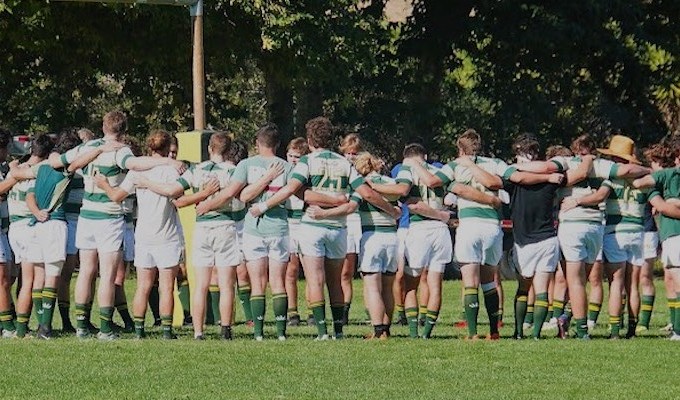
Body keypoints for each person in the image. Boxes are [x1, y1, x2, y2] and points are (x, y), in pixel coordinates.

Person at [244, 117, 399, 340]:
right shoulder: (344, 163)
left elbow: (292, 189)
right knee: (335, 281)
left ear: (309, 140)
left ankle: (322, 332)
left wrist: (264, 205)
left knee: (315, 279)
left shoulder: (308, 161)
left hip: (312, 226)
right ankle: (338, 331)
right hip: (337, 228)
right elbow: (366, 193)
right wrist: (391, 210)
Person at [408, 129, 564, 340]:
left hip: (469, 225)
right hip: (492, 226)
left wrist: (415, 163)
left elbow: (432, 182)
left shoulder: (456, 164)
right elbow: (518, 177)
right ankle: (494, 331)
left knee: (470, 280)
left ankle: (472, 333)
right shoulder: (496, 163)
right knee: (489, 280)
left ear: (460, 148)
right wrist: (548, 177)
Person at [50, 110, 185, 340]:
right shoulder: (120, 151)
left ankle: (81, 326)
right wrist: (167, 161)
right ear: (124, 131)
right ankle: (104, 328)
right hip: (109, 217)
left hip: (86, 215)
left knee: (86, 271)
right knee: (108, 274)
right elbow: (135, 163)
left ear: (103, 127)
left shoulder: (88, 147)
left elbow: (56, 161)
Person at [518, 133, 650, 339]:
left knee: (575, 282)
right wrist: (652, 170)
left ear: (574, 148)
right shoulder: (602, 165)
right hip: (596, 226)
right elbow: (628, 169)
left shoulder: (565, 161)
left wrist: (518, 167)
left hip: (571, 225)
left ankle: (581, 331)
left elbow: (543, 168)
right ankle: (569, 318)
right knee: (586, 280)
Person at [140, 132, 237, 340]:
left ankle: (198, 331)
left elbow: (177, 198)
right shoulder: (233, 171)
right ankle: (226, 330)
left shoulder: (197, 170)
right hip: (225, 224)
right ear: (229, 151)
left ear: (209, 149)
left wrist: (199, 199)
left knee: (200, 283)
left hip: (202, 227)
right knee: (226, 283)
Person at [94, 130, 183, 340]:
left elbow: (117, 196)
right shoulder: (172, 172)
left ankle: (139, 330)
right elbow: (177, 195)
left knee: (143, 286)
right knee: (166, 286)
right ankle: (167, 331)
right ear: (167, 149)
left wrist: (104, 184)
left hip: (143, 235)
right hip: (167, 235)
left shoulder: (135, 174)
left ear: (149, 148)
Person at [506, 134, 590, 339]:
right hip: (547, 238)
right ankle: (535, 334)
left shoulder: (511, 175)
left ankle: (519, 332)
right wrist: (587, 160)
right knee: (542, 287)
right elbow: (576, 176)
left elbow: (517, 178)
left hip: (524, 239)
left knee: (524, 287)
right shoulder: (554, 178)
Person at [284, 137, 310, 327]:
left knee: (310, 269)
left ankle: (312, 310)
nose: (293, 160)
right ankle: (292, 311)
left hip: (305, 221)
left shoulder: (307, 173)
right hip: (288, 222)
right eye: (291, 156)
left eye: (297, 156)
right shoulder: (283, 172)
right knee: (291, 269)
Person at [338, 133, 362, 325]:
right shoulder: (338, 168)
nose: (351, 156)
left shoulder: (363, 171)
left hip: (356, 220)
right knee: (338, 270)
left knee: (349, 270)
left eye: (354, 153)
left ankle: (346, 311)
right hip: (341, 217)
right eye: (348, 152)